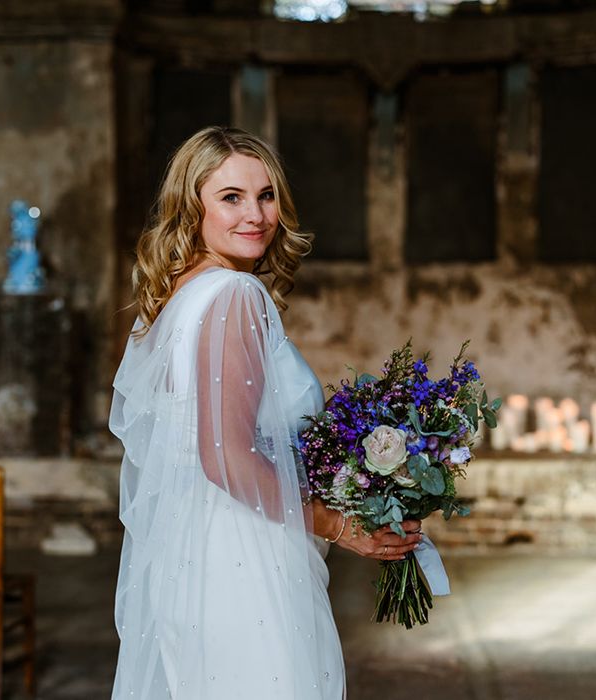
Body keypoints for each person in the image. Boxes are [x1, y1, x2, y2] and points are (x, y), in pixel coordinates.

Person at [108, 126, 422, 699]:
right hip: (243, 561)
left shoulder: (181, 295)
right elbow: (224, 456)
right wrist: (341, 525)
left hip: (194, 557)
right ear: (191, 204)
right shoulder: (234, 296)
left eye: (267, 195)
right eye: (231, 197)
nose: (256, 214)